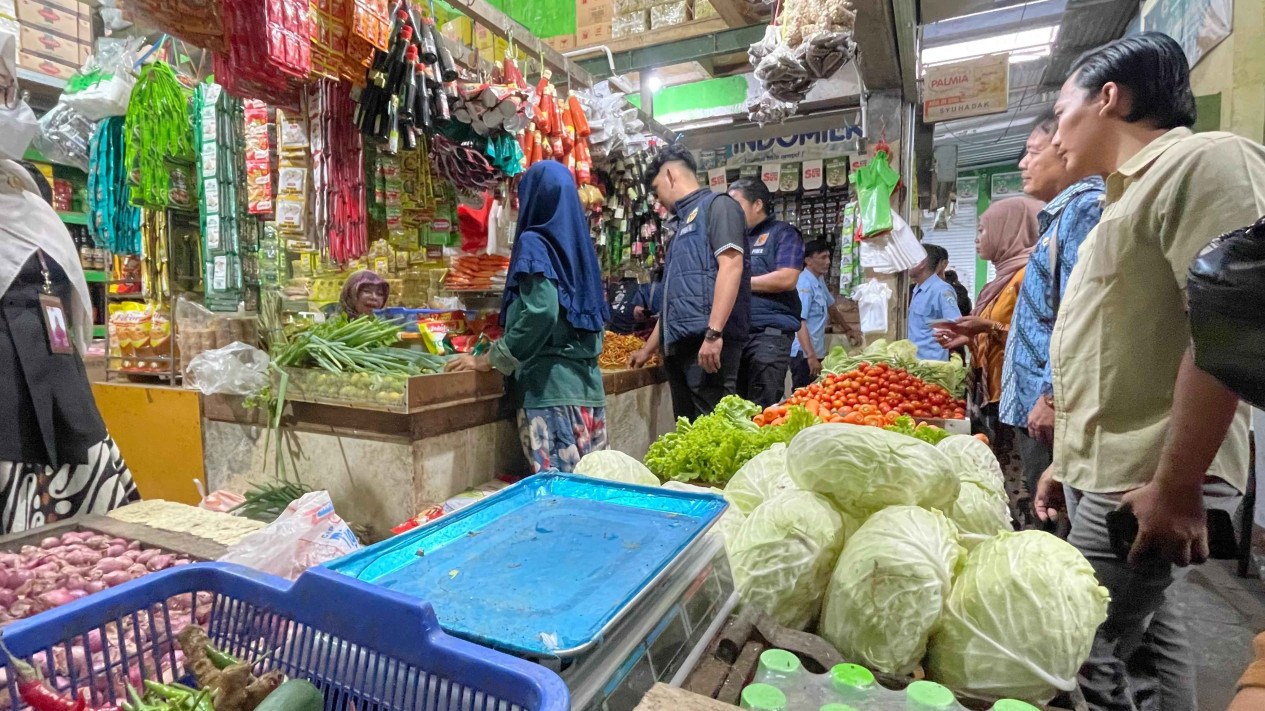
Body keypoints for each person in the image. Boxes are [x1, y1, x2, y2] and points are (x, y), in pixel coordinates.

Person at [1031, 33, 1265, 711]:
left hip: (1149, 475)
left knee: (1076, 649)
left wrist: (1177, 482)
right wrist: (1066, 462)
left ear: (1110, 96)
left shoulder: (1202, 161)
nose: (1052, 133)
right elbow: (1116, 350)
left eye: (1061, 108)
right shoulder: (1115, 202)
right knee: (1151, 646)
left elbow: (1232, 324)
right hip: (1110, 471)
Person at [1, 158, 140, 532]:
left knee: (90, 548)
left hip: (66, 400)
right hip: (10, 414)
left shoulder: (37, 214)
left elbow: (71, 311)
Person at [446, 161, 610, 473]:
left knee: (559, 500)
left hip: (551, 394)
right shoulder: (579, 248)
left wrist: (492, 359)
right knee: (590, 494)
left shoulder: (534, 243)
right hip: (589, 393)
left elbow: (541, 312)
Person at [997, 112, 1104, 506]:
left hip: (1051, 409)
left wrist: (1052, 395)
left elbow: (1084, 315)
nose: (1023, 164)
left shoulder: (1085, 211)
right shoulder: (1060, 219)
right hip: (1039, 404)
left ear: (1065, 151)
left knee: (1055, 516)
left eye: (1031, 152)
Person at [628, 145, 751, 420]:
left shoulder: (719, 206)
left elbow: (731, 266)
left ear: (670, 174)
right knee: (689, 434)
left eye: (657, 189)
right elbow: (673, 298)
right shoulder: (681, 226)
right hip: (682, 349)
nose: (658, 200)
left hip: (707, 347)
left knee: (713, 435)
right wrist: (648, 349)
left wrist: (714, 333)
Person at [728, 178, 803, 408]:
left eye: (735, 205)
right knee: (733, 411)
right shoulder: (731, 240)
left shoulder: (783, 234)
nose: (731, 213)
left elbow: (787, 278)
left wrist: (737, 283)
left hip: (769, 337)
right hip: (735, 338)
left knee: (762, 410)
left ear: (757, 204)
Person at [790, 240, 859, 389]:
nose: (828, 262)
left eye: (828, 257)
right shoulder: (804, 283)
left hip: (816, 351)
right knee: (802, 396)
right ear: (808, 260)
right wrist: (810, 356)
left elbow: (832, 308)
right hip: (804, 354)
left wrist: (848, 329)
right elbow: (799, 322)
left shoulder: (818, 279)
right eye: (822, 257)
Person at [906, 243, 960, 361]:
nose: (906, 264)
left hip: (931, 366)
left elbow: (955, 324)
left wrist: (933, 326)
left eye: (910, 259)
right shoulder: (918, 289)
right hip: (914, 364)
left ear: (921, 263)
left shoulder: (941, 290)